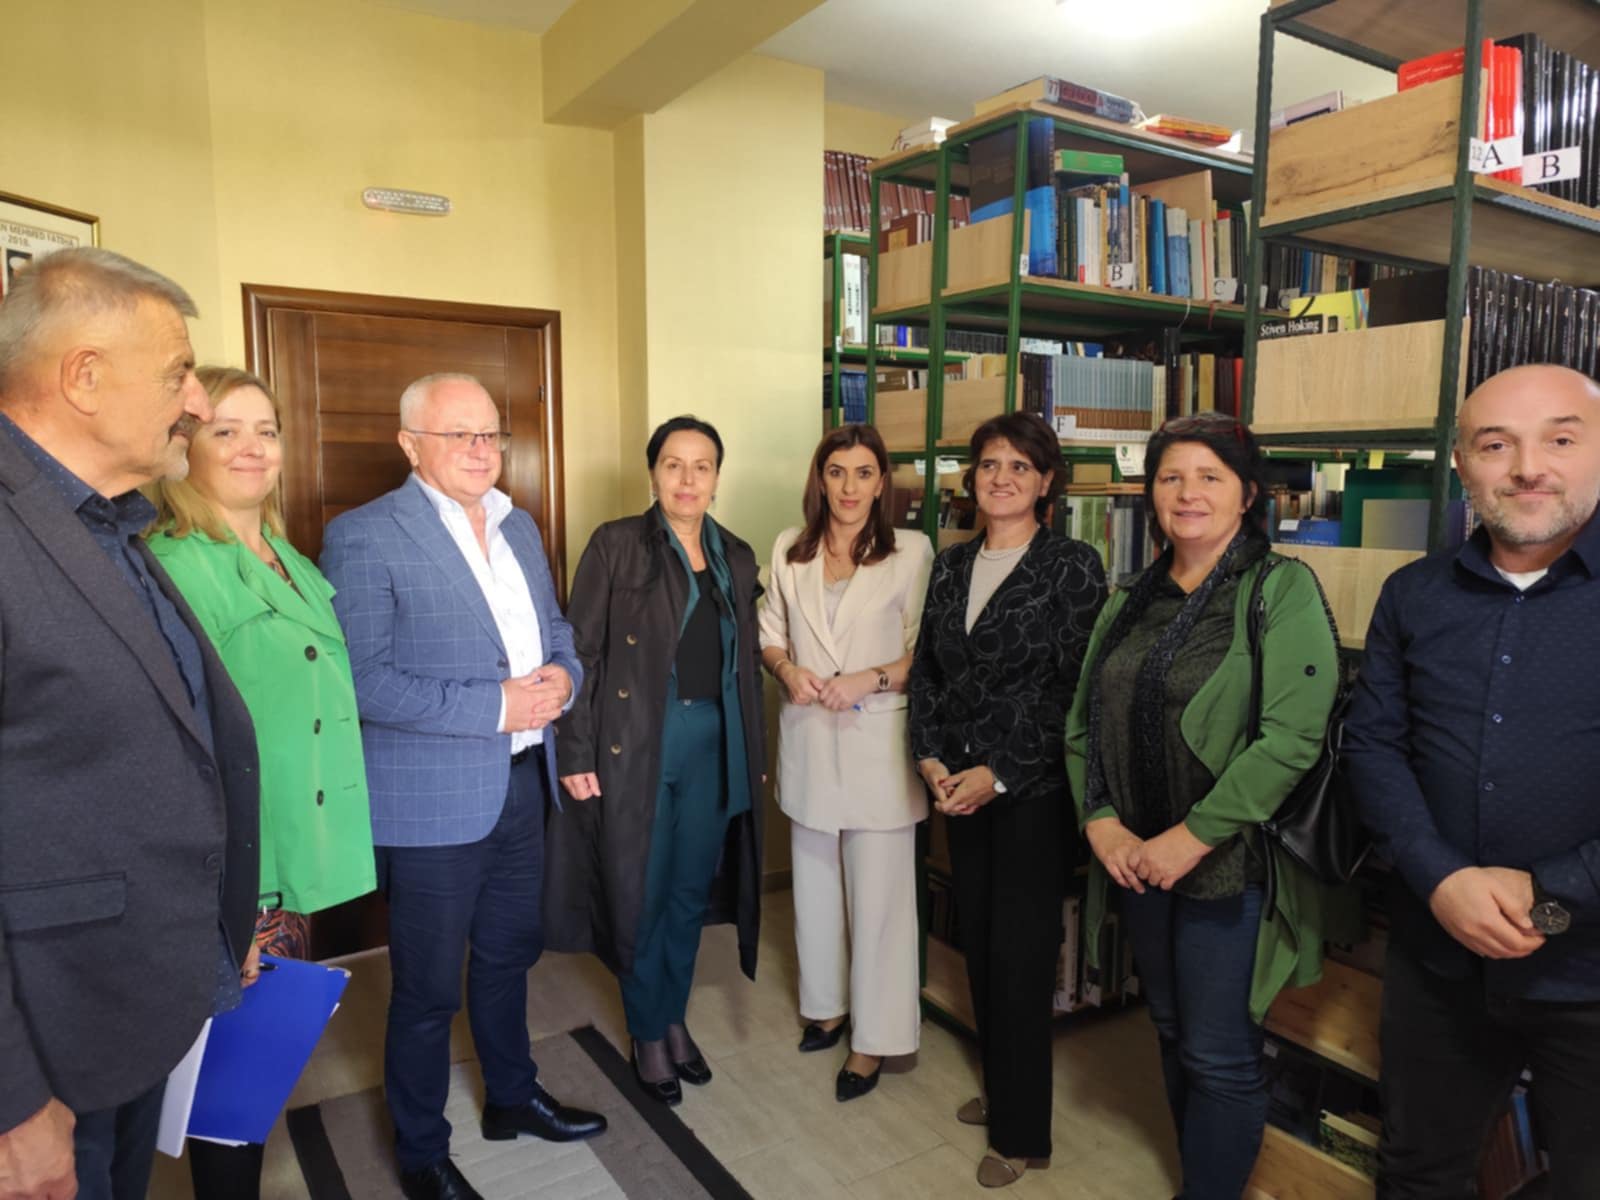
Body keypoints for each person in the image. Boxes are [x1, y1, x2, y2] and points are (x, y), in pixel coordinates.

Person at [0, 248, 259, 1200]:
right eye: (177, 373)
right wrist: (11, 1103)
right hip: (45, 1039)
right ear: (83, 376)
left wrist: (220, 919)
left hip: (129, 1000)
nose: (194, 401)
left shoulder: (107, 521)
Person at [319, 373, 603, 1200]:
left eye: (489, 434)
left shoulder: (520, 525)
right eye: (459, 435)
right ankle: (420, 1151)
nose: (481, 450)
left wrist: (566, 677)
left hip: (522, 785)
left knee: (510, 957)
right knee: (426, 991)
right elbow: (362, 680)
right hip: (432, 805)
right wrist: (497, 706)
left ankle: (511, 1099)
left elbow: (557, 633)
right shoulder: (364, 535)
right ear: (411, 445)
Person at [1065, 411, 1339, 1200]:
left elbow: (1292, 739)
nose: (1188, 493)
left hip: (1228, 866)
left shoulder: (1279, 589)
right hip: (1138, 862)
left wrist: (1192, 837)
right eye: (1171, 477)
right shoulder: (1128, 599)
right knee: (1171, 1029)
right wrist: (1100, 822)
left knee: (1219, 1053)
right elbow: (1082, 724)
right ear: (1150, 492)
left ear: (1248, 494)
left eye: (1210, 477)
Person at [1344, 364, 1600, 1199]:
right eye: (1496, 445)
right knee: (1417, 1172)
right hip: (1439, 962)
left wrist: (1551, 893)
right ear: (1461, 464)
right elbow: (1373, 747)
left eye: (1560, 439)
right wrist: (1441, 877)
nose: (1528, 467)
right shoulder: (1413, 594)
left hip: (1592, 973)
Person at [145, 366, 377, 1199]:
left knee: (255, 1071)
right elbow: (184, 754)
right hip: (240, 871)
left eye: (267, 430)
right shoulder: (173, 565)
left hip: (294, 859)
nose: (252, 448)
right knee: (226, 1096)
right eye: (226, 430)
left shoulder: (289, 559)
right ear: (185, 446)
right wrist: (230, 908)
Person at [907, 411, 1106, 1188]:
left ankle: (1023, 1136)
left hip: (1029, 793)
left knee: (1020, 961)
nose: (1002, 478)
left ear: (1046, 481)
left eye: (1020, 466)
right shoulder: (953, 564)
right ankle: (1003, 1088)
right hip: (959, 789)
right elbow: (928, 671)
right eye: (990, 464)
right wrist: (929, 756)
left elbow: (1073, 691)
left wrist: (998, 772)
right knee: (983, 948)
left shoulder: (1072, 565)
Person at [549, 416, 765, 1107]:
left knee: (687, 893)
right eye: (674, 464)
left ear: (717, 478)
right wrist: (575, 749)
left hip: (715, 742)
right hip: (640, 740)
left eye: (702, 466)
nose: (687, 479)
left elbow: (745, 665)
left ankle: (672, 1017)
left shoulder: (736, 555)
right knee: (640, 891)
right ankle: (647, 1030)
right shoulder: (616, 544)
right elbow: (579, 652)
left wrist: (752, 752)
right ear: (653, 474)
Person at [759, 424, 934, 1101]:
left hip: (877, 743)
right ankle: (826, 1007)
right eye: (837, 472)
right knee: (813, 885)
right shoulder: (789, 548)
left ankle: (875, 1039)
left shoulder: (911, 552)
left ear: (882, 482)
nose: (850, 487)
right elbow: (771, 633)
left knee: (880, 899)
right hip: (808, 734)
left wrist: (871, 678)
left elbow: (926, 651)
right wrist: (787, 670)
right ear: (820, 479)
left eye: (864, 473)